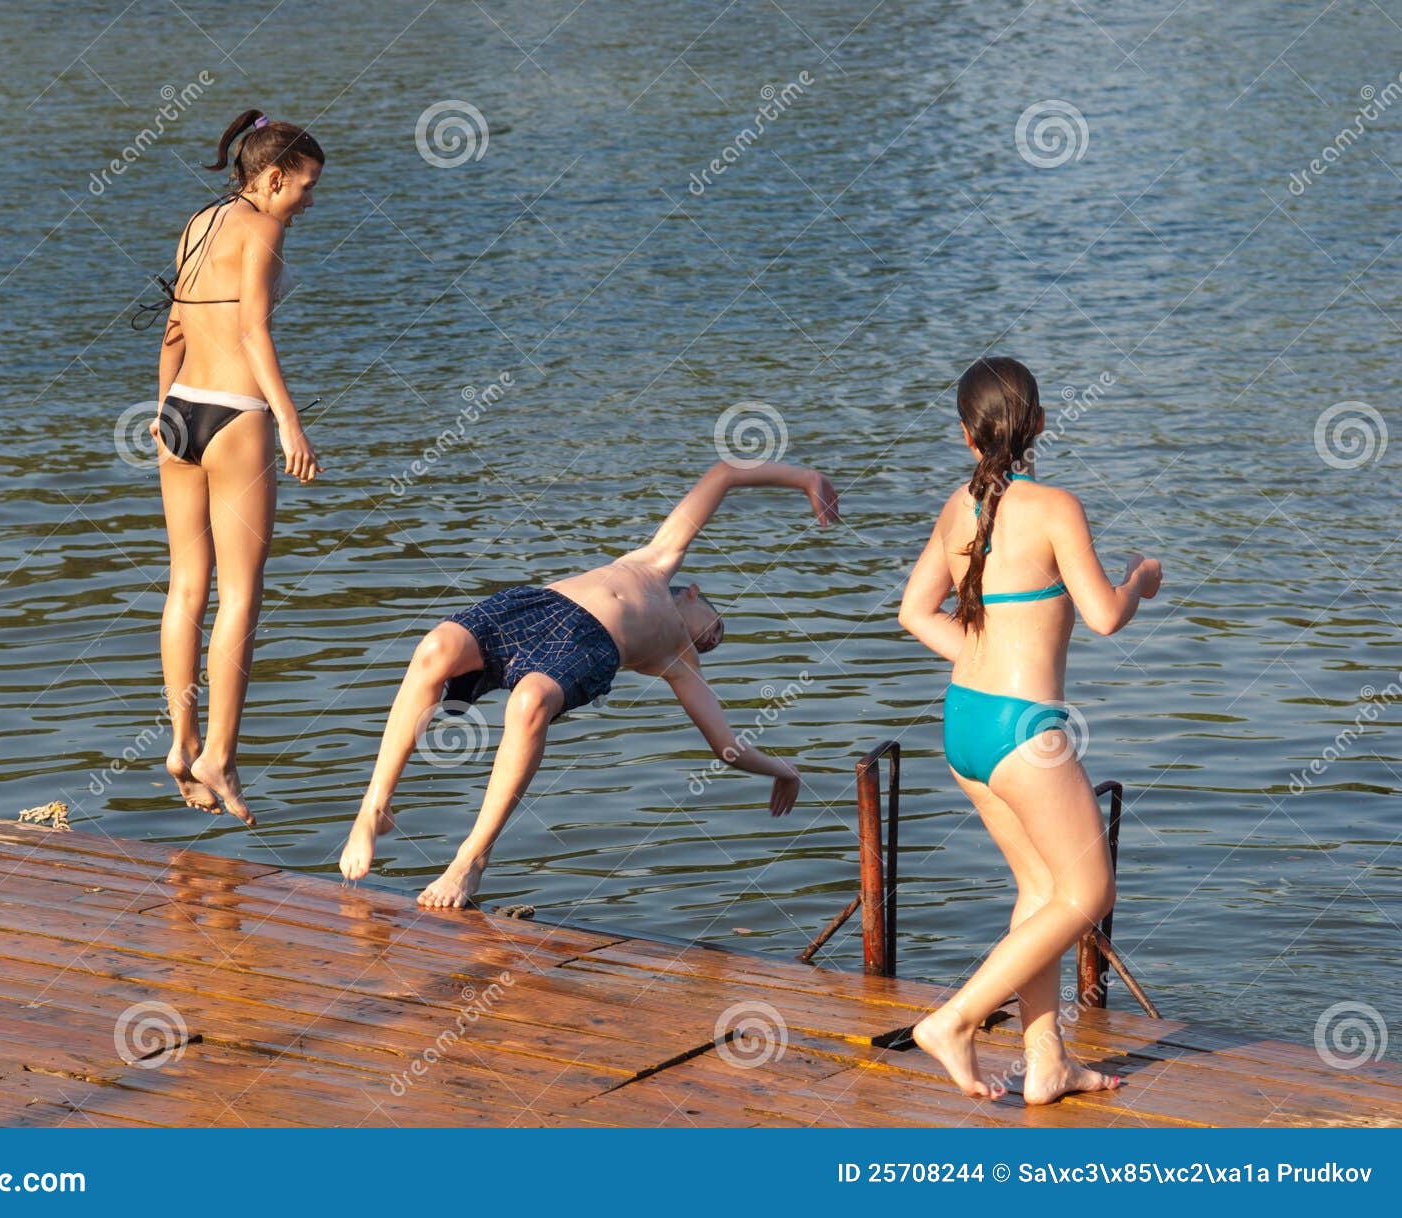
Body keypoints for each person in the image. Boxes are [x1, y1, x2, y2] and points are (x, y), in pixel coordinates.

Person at [339, 459, 840, 908]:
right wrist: (806, 478)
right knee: (434, 649)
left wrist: (784, 770)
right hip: (537, 607)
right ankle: (375, 808)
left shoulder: (679, 664)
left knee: (530, 702)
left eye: (717, 643)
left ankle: (471, 858)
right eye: (718, 624)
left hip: (589, 648)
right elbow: (724, 474)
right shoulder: (656, 560)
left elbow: (726, 747)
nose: (713, 637)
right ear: (695, 593)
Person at [897, 356, 1161, 1104]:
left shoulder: (957, 508)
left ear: (965, 435)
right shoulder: (1056, 506)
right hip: (1024, 731)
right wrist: (1140, 576)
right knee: (1090, 887)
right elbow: (1106, 616)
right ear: (1040, 424)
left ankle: (1045, 1059)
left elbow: (915, 613)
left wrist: (981, 652)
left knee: (1043, 887)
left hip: (966, 722)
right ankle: (955, 1019)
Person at [143, 108, 325, 825]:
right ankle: (220, 753)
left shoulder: (200, 221)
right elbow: (252, 328)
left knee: (185, 588)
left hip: (181, 410)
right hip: (235, 416)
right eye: (306, 187)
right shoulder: (264, 227)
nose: (310, 201)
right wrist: (289, 420)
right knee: (242, 596)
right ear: (274, 178)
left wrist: (163, 413)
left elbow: (174, 325)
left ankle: (181, 743)